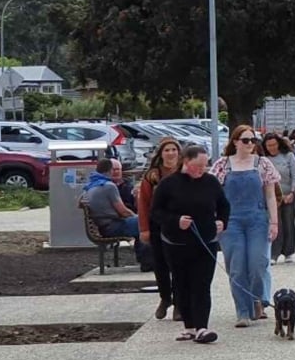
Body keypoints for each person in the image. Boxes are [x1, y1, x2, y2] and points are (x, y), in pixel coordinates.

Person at [152, 145, 228, 344]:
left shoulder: (211, 182)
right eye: (197, 166)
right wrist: (176, 221)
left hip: (206, 241)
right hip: (176, 243)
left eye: (204, 165)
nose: (201, 170)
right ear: (185, 162)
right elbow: (156, 212)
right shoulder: (168, 184)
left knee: (202, 284)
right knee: (181, 284)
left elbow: (223, 205)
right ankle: (189, 326)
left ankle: (202, 327)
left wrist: (222, 221)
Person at [211, 125, 280, 327]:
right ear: (235, 142)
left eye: (253, 140)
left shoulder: (262, 163)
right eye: (245, 140)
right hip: (231, 221)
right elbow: (213, 194)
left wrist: (274, 222)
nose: (250, 144)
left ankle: (257, 298)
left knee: (258, 263)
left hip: (257, 218)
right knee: (237, 267)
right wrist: (215, 219)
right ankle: (242, 311)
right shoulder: (223, 165)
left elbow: (270, 195)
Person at [137, 137, 183, 320]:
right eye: (167, 150)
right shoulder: (152, 175)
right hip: (158, 225)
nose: (171, 153)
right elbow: (143, 203)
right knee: (161, 265)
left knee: (179, 266)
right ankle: (165, 298)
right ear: (161, 154)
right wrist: (144, 229)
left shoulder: (184, 173)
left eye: (174, 150)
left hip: (180, 226)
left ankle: (180, 304)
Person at [80, 156, 139, 238]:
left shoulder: (90, 186)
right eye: (114, 169)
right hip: (113, 227)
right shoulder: (109, 186)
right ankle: (145, 250)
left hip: (103, 227)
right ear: (110, 170)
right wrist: (138, 218)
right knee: (146, 223)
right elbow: (124, 212)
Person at [263, 132, 295, 264]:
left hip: (288, 193)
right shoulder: (264, 160)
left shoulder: (288, 156)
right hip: (271, 196)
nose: (271, 148)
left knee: (289, 223)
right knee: (275, 223)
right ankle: (274, 253)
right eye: (268, 145)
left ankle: (289, 252)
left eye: (274, 145)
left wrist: (292, 192)